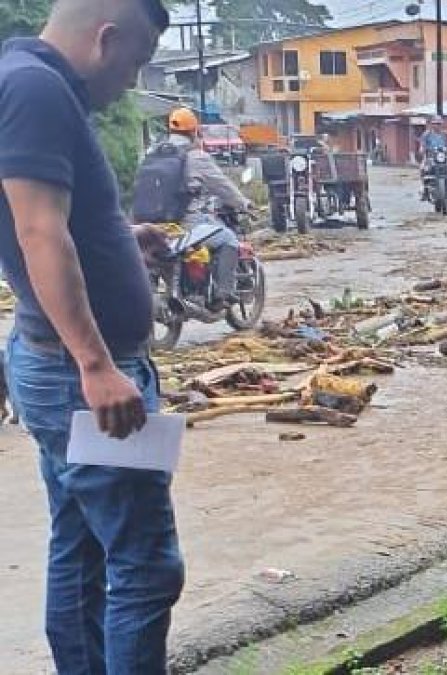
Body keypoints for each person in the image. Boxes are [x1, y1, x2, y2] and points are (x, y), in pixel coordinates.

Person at [0, 1, 182, 674]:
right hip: (79, 377)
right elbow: (37, 232)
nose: (132, 84)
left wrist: (117, 243)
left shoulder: (27, 82)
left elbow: (44, 223)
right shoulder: (35, 88)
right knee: (147, 566)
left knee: (80, 552)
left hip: (58, 369)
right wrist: (96, 363)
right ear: (106, 40)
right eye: (135, 63)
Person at [158, 107, 253, 310]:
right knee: (228, 239)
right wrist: (244, 203)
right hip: (185, 223)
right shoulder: (196, 157)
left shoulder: (153, 154)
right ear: (194, 132)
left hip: (150, 223)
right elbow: (222, 186)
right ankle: (221, 295)